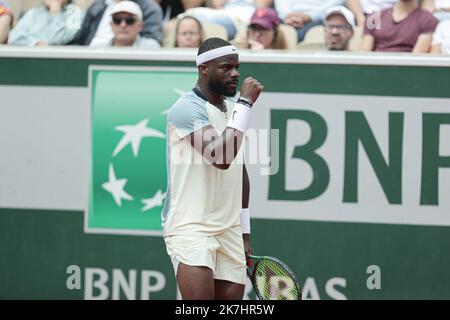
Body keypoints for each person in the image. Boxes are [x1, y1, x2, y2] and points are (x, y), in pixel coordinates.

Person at [161, 37, 263, 300]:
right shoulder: (185, 108)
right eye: (226, 67)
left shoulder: (232, 111)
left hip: (229, 229)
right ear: (203, 68)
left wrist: (245, 231)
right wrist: (246, 104)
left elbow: (239, 171)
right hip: (191, 227)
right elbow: (221, 156)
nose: (235, 73)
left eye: (236, 67)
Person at [70, 0, 163, 47]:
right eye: (117, 20)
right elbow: (81, 39)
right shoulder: (97, 4)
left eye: (129, 20)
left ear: (140, 26)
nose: (123, 25)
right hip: (95, 58)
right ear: (111, 24)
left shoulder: (149, 8)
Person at [361, 0, 439, 52]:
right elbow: (365, 54)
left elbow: (416, 59)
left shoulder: (428, 20)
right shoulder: (374, 17)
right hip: (374, 70)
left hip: (405, 72)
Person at [7, 0, 84, 46]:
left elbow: (56, 39)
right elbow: (13, 38)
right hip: (30, 62)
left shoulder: (76, 14)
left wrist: (55, 13)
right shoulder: (33, 13)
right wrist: (36, 43)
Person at [274, 0, 345, 42]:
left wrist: (310, 16)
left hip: (319, 18)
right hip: (287, 16)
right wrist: (287, 15)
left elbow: (335, 2)